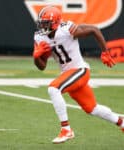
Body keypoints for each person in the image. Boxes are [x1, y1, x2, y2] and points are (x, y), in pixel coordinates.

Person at [32, 5, 124, 144]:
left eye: (46, 23)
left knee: (53, 88)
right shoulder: (39, 37)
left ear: (55, 22)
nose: (43, 26)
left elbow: (94, 29)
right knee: (92, 109)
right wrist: (36, 57)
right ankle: (121, 122)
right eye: (42, 23)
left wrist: (105, 52)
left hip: (80, 70)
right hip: (68, 74)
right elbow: (42, 67)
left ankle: (66, 130)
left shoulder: (66, 29)